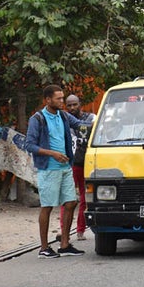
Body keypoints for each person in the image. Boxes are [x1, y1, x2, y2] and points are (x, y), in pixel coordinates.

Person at [24, 85, 92, 258]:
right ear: (48, 100)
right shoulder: (37, 119)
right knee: (47, 207)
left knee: (70, 203)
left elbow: (81, 125)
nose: (63, 101)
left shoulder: (63, 115)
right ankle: (44, 248)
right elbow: (29, 145)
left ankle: (65, 244)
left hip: (65, 168)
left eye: (63, 98)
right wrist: (52, 153)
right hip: (48, 169)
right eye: (59, 99)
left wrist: (102, 123)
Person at [58, 95, 96, 241]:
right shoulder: (63, 120)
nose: (72, 108)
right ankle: (64, 230)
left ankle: (80, 230)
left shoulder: (91, 118)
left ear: (80, 104)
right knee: (66, 197)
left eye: (74, 104)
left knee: (84, 199)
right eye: (69, 105)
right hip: (71, 164)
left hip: (87, 163)